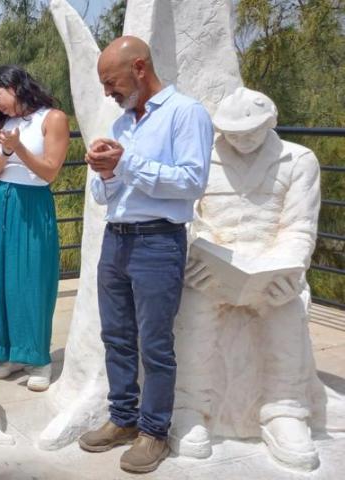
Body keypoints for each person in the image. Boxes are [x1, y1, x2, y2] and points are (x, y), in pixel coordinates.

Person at [77, 36, 211, 474]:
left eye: (111, 81)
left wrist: (127, 163)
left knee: (154, 343)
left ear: (139, 67)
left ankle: (155, 431)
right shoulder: (121, 124)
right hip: (116, 239)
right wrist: (107, 171)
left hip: (158, 241)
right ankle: (123, 419)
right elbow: (103, 195)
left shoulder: (185, 113)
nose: (107, 92)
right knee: (115, 337)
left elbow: (191, 182)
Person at [171, 87, 323, 471]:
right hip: (213, 266)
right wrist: (193, 253)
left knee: (286, 310)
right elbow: (185, 214)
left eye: (250, 131)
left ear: (270, 122)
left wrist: (290, 269)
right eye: (232, 132)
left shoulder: (299, 160)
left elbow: (299, 227)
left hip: (271, 269)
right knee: (194, 311)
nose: (240, 139)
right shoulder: (200, 157)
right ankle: (190, 407)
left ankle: (284, 411)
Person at [0, 65, 69, 391]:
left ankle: (38, 358)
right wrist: (4, 150)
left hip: (32, 202)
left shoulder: (53, 118)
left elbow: (49, 172)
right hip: (1, 200)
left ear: (14, 86)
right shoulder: (2, 125)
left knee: (31, 279)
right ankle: (8, 354)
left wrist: (20, 149)